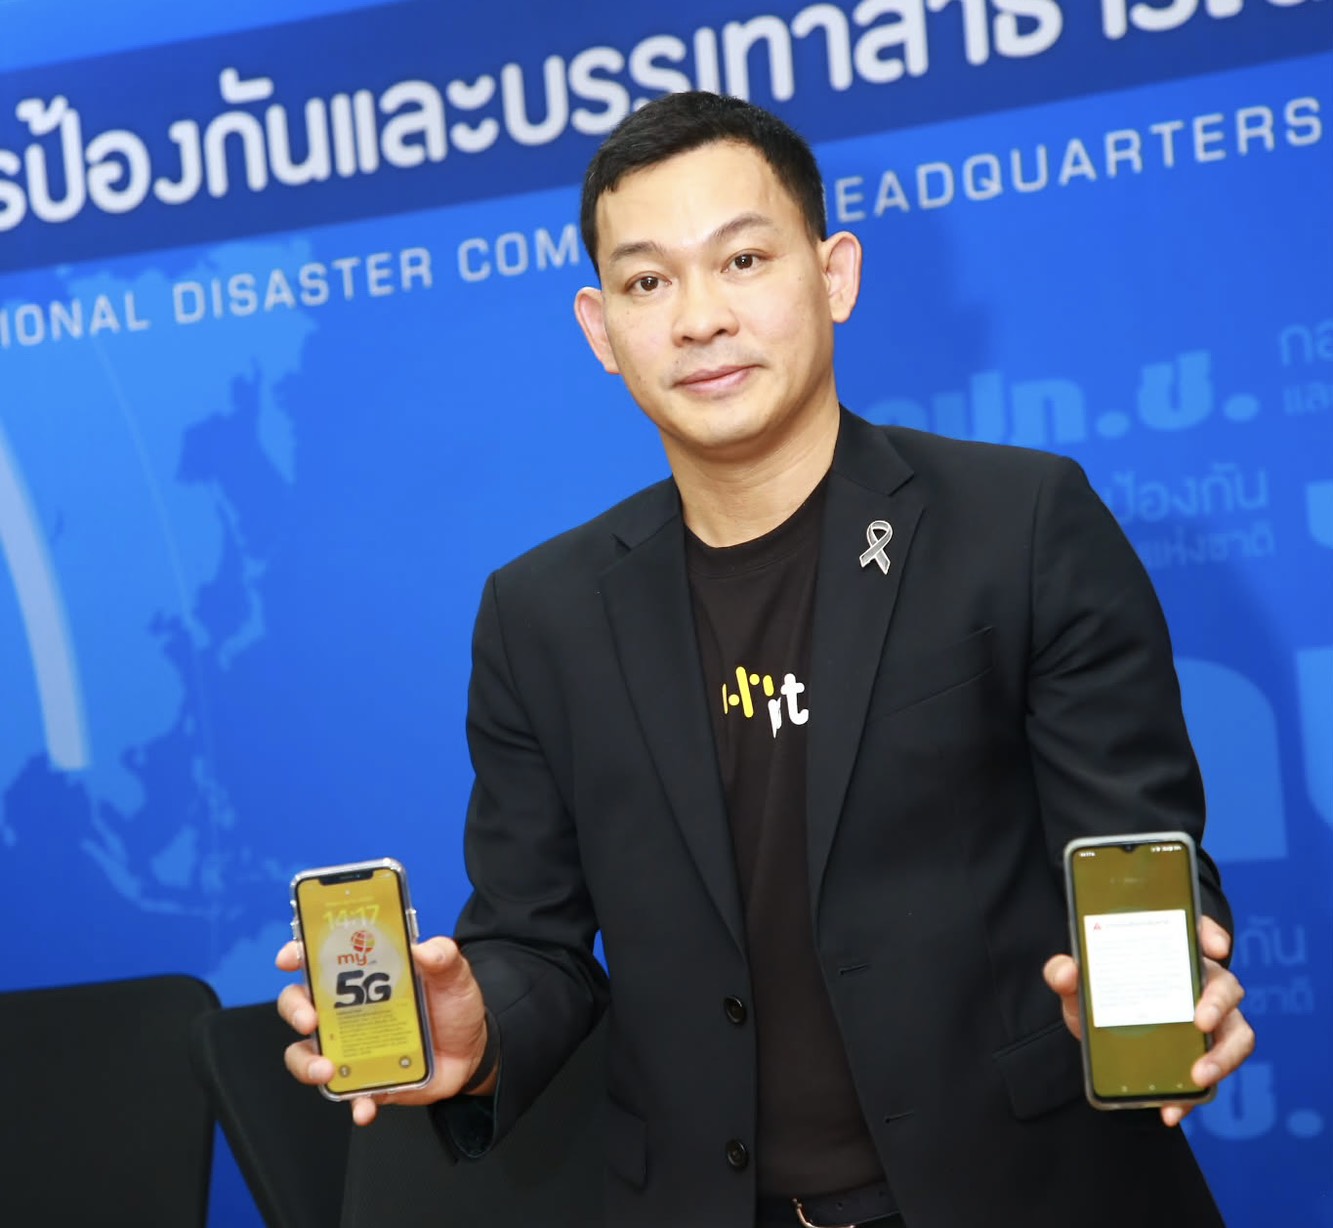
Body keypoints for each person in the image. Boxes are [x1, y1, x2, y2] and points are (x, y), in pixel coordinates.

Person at [278, 91, 1254, 1228]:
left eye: (742, 260)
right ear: (600, 329)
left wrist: (1164, 983)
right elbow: (534, 939)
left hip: (1034, 1194)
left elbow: (1135, 853)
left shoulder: (1020, 526)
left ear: (833, 275)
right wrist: (478, 1028)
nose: (699, 318)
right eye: (648, 281)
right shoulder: (540, 615)